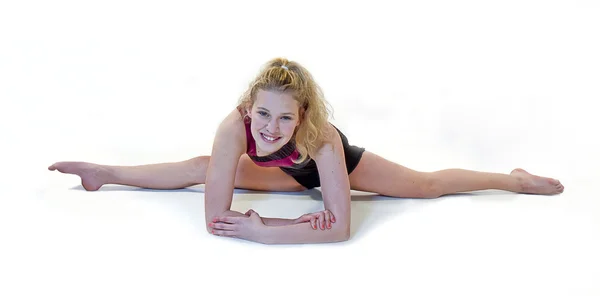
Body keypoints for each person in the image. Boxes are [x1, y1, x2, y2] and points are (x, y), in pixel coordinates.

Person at [48, 57, 564, 245]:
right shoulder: (235, 127)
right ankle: (103, 172)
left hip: (325, 170)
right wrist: (273, 226)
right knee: (203, 168)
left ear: (303, 117)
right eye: (264, 115)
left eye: (285, 117)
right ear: (250, 108)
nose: (271, 128)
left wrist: (264, 231)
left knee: (426, 186)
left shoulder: (322, 139)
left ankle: (512, 178)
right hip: (284, 174)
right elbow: (215, 219)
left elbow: (338, 228)